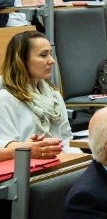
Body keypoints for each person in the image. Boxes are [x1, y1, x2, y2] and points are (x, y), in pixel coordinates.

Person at [0, 30, 80, 158]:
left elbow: (66, 139)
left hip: (63, 163)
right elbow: (4, 145)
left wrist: (82, 162)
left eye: (50, 54)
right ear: (21, 60)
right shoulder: (5, 99)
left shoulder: (53, 94)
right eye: (43, 55)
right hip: (30, 169)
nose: (52, 61)